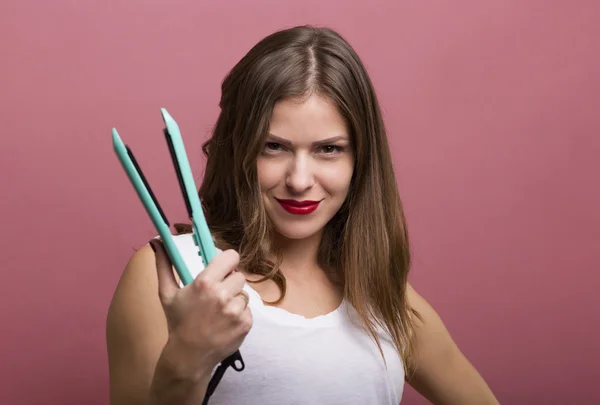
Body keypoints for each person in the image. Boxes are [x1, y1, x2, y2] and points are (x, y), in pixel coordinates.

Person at [106, 25, 500, 405]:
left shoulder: (380, 292)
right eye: (273, 147)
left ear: (360, 160)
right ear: (237, 150)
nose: (299, 180)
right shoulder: (173, 275)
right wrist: (186, 360)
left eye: (328, 149)